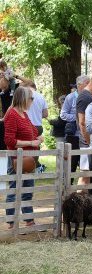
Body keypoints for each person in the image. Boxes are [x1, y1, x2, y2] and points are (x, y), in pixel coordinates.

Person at [3, 87, 43, 230]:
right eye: (31, 98)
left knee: (27, 190)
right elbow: (9, 140)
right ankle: (11, 223)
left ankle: (29, 220)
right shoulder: (12, 114)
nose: (32, 101)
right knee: (14, 189)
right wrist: (31, 142)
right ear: (24, 99)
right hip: (16, 158)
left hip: (28, 159)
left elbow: (32, 131)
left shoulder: (24, 114)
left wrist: (38, 138)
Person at [61, 75, 90, 176]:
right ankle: (67, 187)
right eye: (87, 83)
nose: (89, 85)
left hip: (86, 135)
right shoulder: (70, 97)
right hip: (74, 135)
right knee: (71, 163)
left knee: (85, 165)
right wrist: (77, 118)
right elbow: (63, 115)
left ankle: (82, 189)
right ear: (79, 85)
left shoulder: (90, 97)